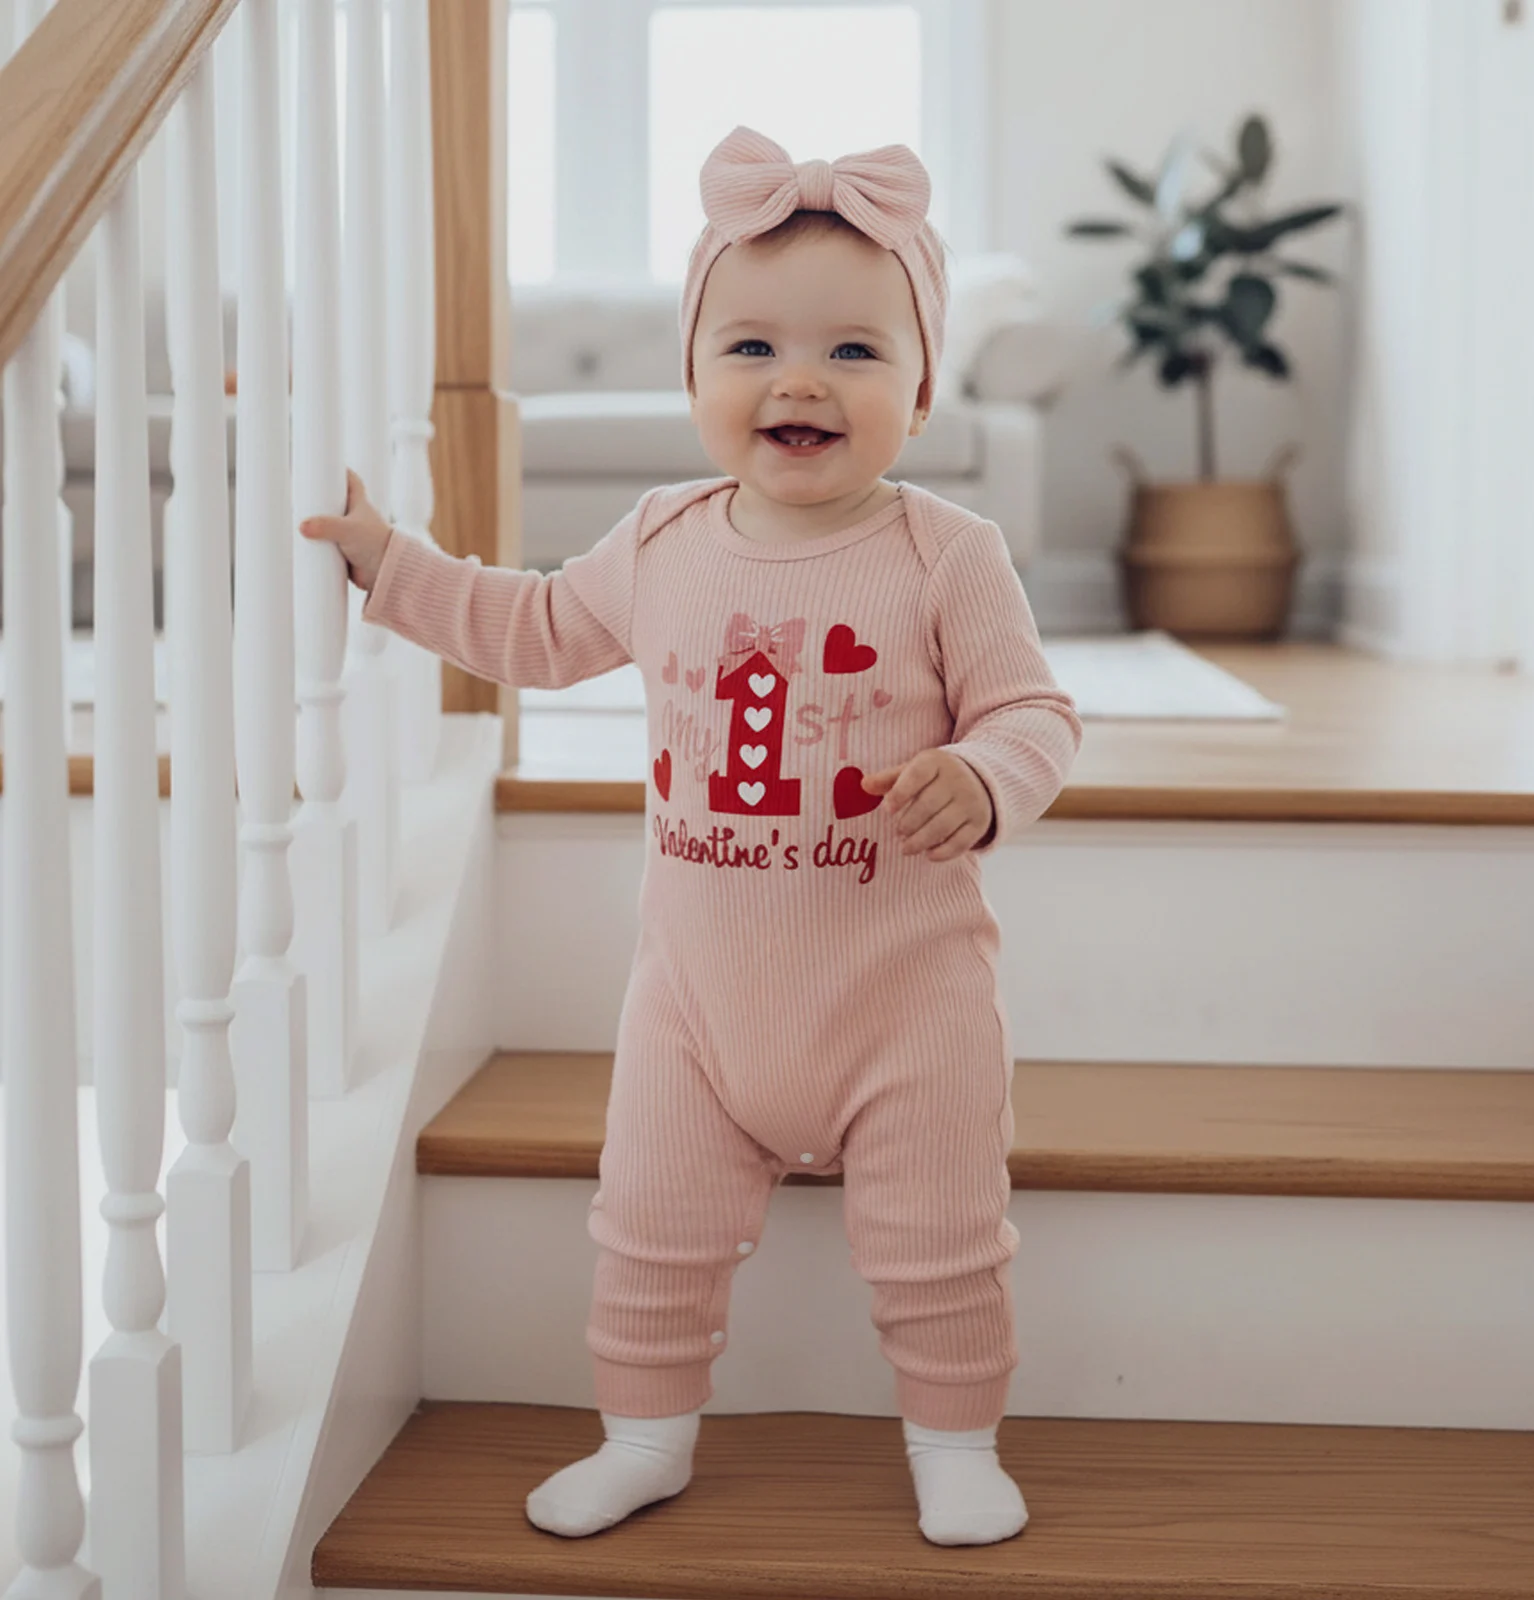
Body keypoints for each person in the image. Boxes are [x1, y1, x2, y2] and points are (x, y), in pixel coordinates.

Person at [300, 123, 1083, 1547]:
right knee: (648, 1234)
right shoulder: (663, 540)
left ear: (922, 388)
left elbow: (1035, 712)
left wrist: (983, 776)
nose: (800, 379)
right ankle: (644, 1439)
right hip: (698, 1009)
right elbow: (532, 628)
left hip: (906, 1000)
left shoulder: (947, 554)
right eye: (753, 348)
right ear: (694, 374)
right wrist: (388, 568)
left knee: (943, 1244)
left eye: (855, 350)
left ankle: (955, 1442)